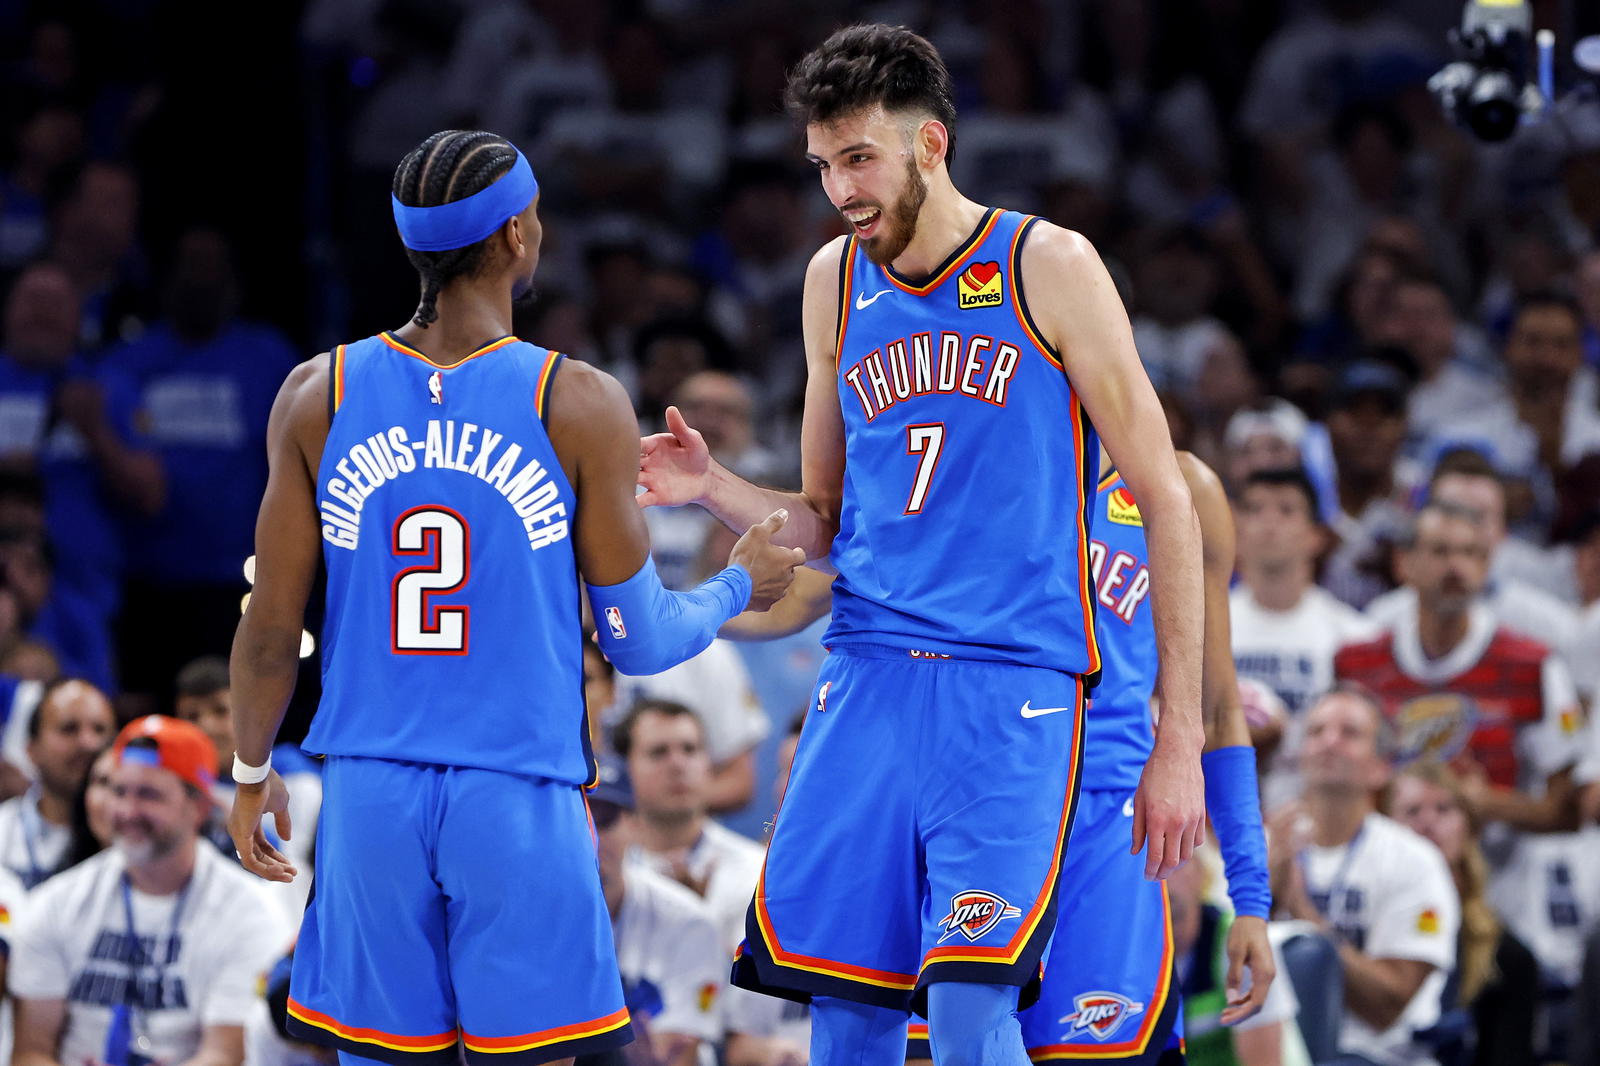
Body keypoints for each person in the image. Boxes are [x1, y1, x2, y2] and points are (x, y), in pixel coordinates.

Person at [637, 26, 1206, 1063]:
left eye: (859, 158)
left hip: (1011, 686)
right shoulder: (830, 280)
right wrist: (709, 484)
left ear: (930, 144)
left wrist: (1177, 737)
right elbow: (822, 514)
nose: (839, 189)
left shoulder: (1049, 264)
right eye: (821, 165)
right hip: (866, 675)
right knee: (846, 1007)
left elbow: (1167, 499)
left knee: (966, 1004)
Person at [226, 129, 802, 1066]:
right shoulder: (573, 398)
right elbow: (640, 640)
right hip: (518, 794)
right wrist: (743, 580)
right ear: (514, 240)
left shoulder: (314, 394)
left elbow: (267, 631)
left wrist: (251, 773)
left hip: (369, 791)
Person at [717, 455, 1260, 1065]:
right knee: (953, 1041)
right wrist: (666, 612)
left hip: (1107, 820)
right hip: (986, 799)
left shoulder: (1181, 487)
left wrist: (1252, 898)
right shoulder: (975, 451)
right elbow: (808, 594)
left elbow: (1218, 709)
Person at [10, 716, 291, 1066]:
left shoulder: (251, 913)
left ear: (199, 806)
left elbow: (226, 1054)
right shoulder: (55, 903)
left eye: (149, 795)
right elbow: (32, 1050)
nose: (126, 811)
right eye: (118, 791)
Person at [1266, 688, 1461, 1066]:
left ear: (1380, 766)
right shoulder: (1265, 843)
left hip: (1381, 1056)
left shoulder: (1415, 861)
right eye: (1316, 731)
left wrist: (1303, 912)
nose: (1329, 743)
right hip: (1275, 1049)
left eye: (1349, 733)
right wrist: (1265, 897)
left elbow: (1388, 1005)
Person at [1228, 467, 1376, 808]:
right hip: (1214, 808)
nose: (1269, 521)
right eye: (1254, 509)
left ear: (1317, 535)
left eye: (1286, 509)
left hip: (1319, 806)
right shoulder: (1202, 626)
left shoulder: (1354, 635)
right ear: (1234, 530)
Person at [1386, 763, 1538, 1066]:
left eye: (1443, 809)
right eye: (1412, 811)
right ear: (1383, 828)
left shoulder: (1506, 955)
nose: (1428, 822)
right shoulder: (1360, 930)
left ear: (1468, 827)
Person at [591, 760, 727, 1066]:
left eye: (604, 820)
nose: (592, 838)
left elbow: (679, 1053)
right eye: (581, 820)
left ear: (635, 825)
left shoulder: (689, 920)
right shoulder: (531, 920)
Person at [615, 698, 765, 952]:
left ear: (709, 764)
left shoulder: (757, 872)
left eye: (690, 749)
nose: (677, 764)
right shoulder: (609, 871)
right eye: (658, 752)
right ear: (625, 768)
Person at [0, 677, 113, 887]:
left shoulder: (132, 835)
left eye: (99, 729)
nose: (88, 744)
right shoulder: (3, 832)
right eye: (69, 728)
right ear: (32, 751)